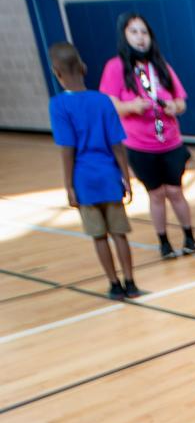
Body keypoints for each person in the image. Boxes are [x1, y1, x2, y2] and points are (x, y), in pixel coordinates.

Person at [48, 42, 140, 299]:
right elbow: (117, 145)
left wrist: (68, 185)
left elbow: (67, 150)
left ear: (57, 72)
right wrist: (126, 177)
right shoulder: (102, 101)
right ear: (83, 68)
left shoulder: (58, 105)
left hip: (84, 180)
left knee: (99, 236)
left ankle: (114, 285)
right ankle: (130, 282)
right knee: (119, 233)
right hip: (109, 176)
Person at [99, 12, 195, 259]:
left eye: (144, 32)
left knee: (175, 191)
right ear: (124, 36)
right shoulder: (116, 67)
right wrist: (131, 107)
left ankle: (189, 235)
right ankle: (163, 241)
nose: (140, 38)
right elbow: (109, 105)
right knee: (156, 194)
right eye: (134, 32)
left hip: (170, 142)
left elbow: (180, 100)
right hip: (140, 145)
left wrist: (175, 106)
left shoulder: (160, 66)